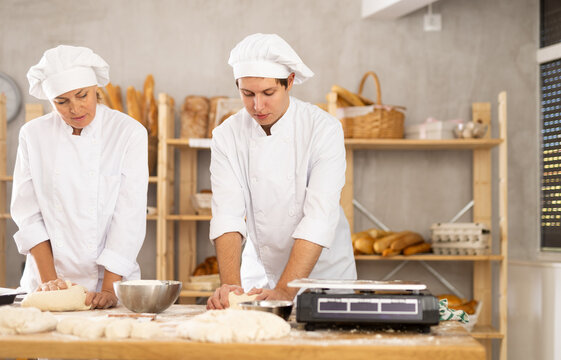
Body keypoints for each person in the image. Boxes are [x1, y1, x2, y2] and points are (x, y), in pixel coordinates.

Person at [207, 33, 357, 310]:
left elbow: (319, 217)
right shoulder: (226, 135)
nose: (257, 106)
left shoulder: (323, 129)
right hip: (259, 274)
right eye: (247, 94)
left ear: (288, 82)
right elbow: (227, 215)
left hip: (323, 275)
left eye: (268, 93)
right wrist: (230, 286)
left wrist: (285, 291)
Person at [11, 45, 148, 309]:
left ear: (96, 89)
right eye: (61, 102)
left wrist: (108, 288)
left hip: (111, 279)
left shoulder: (128, 132)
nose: (75, 108)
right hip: (46, 279)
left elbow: (128, 217)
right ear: (50, 102)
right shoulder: (33, 135)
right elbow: (28, 213)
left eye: (82, 95)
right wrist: (52, 284)